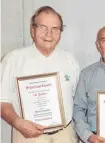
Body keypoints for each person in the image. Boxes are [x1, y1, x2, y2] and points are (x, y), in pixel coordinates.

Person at [1, 6, 79, 143]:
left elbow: (77, 99)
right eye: (43, 27)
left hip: (65, 135)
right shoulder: (13, 59)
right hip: (27, 137)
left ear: (61, 32)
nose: (49, 34)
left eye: (55, 29)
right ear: (33, 30)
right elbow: (2, 101)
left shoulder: (69, 60)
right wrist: (17, 122)